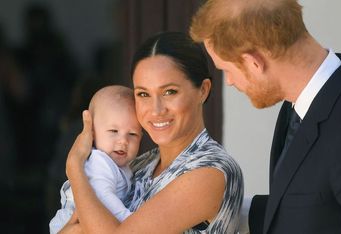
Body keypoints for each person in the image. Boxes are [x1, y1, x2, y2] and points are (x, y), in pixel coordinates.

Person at [190, 0, 341, 234]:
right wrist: (220, 206)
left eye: (226, 70)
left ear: (254, 62)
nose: (230, 81)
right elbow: (312, 209)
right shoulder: (301, 103)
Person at [60, 31, 244, 233]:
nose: (156, 110)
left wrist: (75, 167)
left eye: (169, 92)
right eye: (143, 94)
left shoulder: (210, 171)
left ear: (203, 90)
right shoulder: (140, 165)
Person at [49, 85, 142, 233]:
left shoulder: (121, 165)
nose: (123, 141)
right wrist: (129, 222)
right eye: (113, 131)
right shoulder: (99, 162)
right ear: (92, 132)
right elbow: (104, 197)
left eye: (132, 134)